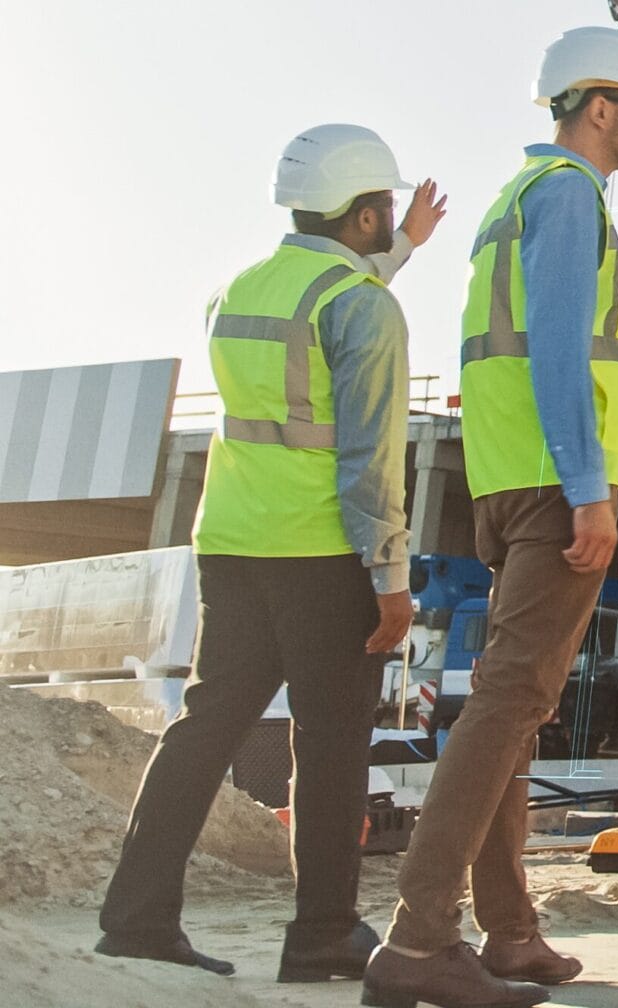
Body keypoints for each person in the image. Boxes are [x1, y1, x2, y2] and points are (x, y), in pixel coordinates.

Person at [364, 27, 618, 1008]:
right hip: (554, 481)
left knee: (508, 708)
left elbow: (603, 312)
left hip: (507, 478)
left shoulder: (522, 201)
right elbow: (565, 349)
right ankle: (418, 938)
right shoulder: (570, 197)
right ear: (600, 108)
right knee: (507, 706)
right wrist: (586, 488)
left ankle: (511, 929)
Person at [96, 126, 443, 982]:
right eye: (385, 211)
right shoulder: (365, 307)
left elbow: (315, 327)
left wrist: (402, 249)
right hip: (324, 551)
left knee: (205, 726)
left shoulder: (237, 290)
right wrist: (391, 579)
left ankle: (136, 918)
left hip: (232, 545)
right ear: (365, 212)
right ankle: (323, 932)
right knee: (329, 744)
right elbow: (369, 460)